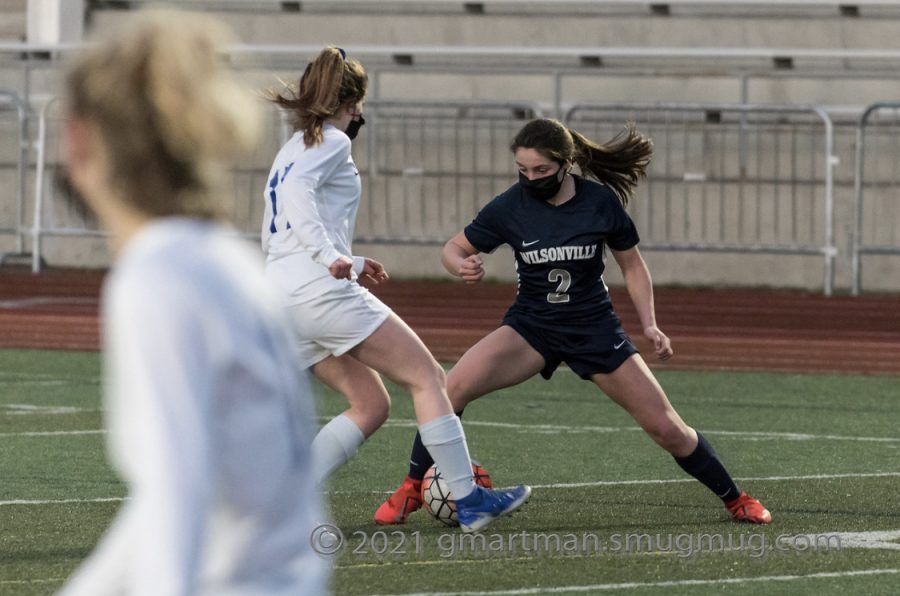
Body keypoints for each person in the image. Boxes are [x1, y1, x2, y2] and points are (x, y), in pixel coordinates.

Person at [375, 118, 772, 526]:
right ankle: (410, 488)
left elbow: (632, 266)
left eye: (542, 170)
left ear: (565, 164)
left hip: (594, 330)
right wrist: (460, 264)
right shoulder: (510, 205)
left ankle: (735, 498)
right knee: (450, 387)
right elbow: (453, 247)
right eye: (523, 170)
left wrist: (650, 323)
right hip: (532, 328)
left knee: (667, 428)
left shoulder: (598, 202)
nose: (531, 178)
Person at [57, 10, 329, 595]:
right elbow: (167, 499)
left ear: (79, 138)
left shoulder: (159, 278)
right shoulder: (223, 263)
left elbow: (179, 492)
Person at [261, 46, 530, 532]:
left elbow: (286, 222)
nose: (361, 112)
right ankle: (469, 500)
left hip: (281, 294)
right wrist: (333, 259)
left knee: (371, 403)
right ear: (349, 99)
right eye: (358, 102)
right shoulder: (332, 142)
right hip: (317, 291)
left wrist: (351, 258)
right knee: (428, 377)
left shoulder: (293, 145)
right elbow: (301, 203)